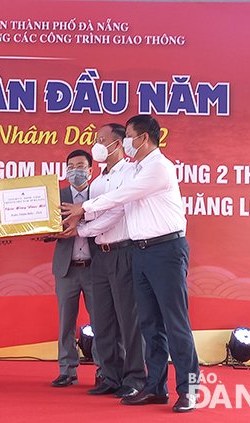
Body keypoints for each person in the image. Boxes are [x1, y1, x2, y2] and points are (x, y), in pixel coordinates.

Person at [61, 115, 200, 413]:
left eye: (129, 137)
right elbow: (120, 204)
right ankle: (155, 387)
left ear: (144, 138)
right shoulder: (135, 169)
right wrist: (83, 223)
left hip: (166, 250)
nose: (126, 143)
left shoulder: (159, 168)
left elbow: (122, 196)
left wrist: (83, 208)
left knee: (175, 323)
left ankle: (189, 390)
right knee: (149, 324)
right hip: (141, 251)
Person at [60, 124, 146, 398]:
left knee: (127, 320)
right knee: (103, 321)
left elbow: (119, 212)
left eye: (101, 140)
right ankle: (110, 375)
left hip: (123, 251)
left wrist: (81, 229)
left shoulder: (132, 173)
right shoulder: (96, 183)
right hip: (101, 257)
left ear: (118, 143)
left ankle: (134, 377)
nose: (97, 144)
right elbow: (91, 215)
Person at [49, 150, 100, 388]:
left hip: (96, 268)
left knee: (101, 322)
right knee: (65, 322)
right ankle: (66, 370)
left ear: (91, 170)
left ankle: (104, 370)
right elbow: (46, 232)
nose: (75, 171)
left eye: (80, 166)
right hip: (66, 268)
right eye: (71, 166)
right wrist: (48, 230)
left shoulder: (100, 195)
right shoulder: (56, 196)